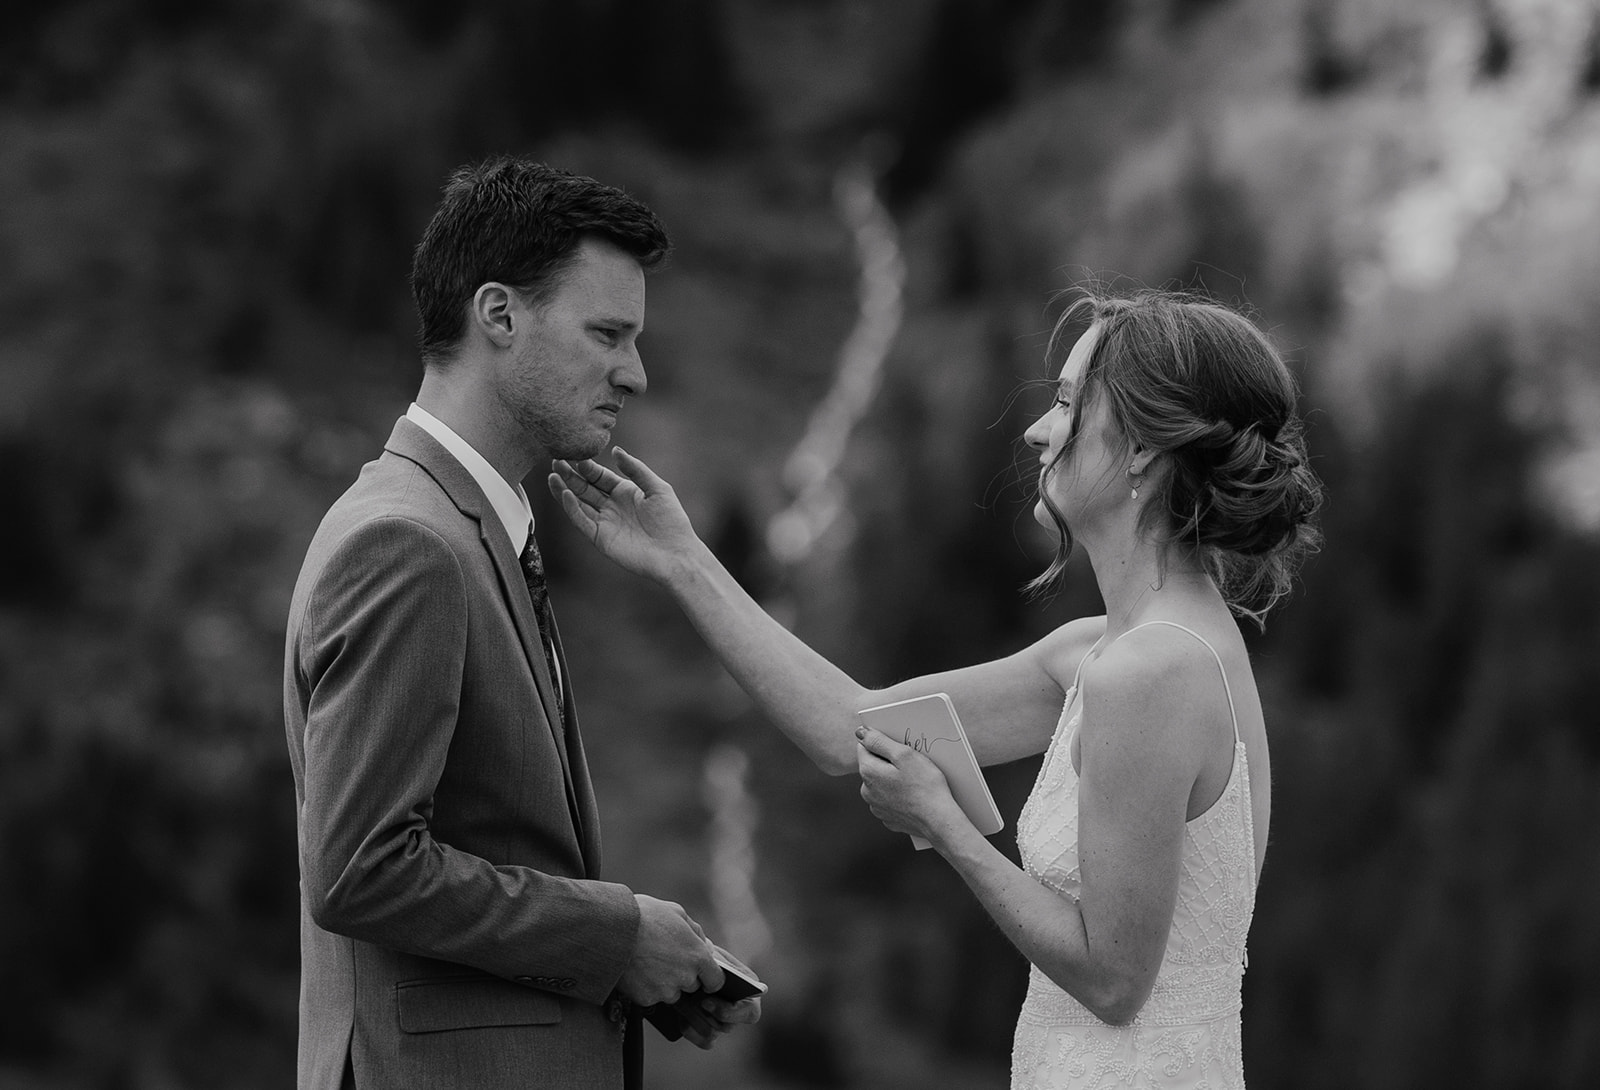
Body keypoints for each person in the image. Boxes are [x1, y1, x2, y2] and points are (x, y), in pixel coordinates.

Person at [548, 288, 1323, 1089]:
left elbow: (1115, 982)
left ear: (1140, 451)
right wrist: (683, 561)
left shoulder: (1147, 673)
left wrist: (947, 828)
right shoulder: (1113, 652)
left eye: (1065, 403)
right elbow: (848, 727)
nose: (1037, 429)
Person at [283, 157, 760, 1090]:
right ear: (498, 315)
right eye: (608, 334)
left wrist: (635, 969)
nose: (637, 373)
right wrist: (617, 938)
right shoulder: (407, 543)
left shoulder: (449, 523)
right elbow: (359, 869)